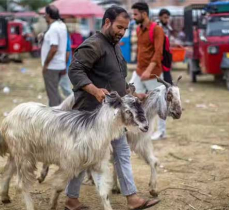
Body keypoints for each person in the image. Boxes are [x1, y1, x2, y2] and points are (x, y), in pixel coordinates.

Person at [66, 6, 160, 210]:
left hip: (113, 115)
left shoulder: (115, 46)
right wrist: (94, 90)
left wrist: (132, 93)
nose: (121, 32)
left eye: (125, 29)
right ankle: (71, 199)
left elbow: (114, 79)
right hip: (91, 114)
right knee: (85, 156)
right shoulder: (94, 44)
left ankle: (132, 198)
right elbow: (74, 69)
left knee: (122, 152)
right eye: (119, 27)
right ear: (107, 22)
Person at [131, 2, 167, 140]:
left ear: (144, 14)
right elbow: (141, 51)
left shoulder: (157, 29)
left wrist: (148, 70)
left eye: (135, 14)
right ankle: (140, 127)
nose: (133, 17)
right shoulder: (139, 29)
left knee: (160, 103)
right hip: (139, 71)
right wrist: (139, 69)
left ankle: (162, 132)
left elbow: (158, 53)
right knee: (132, 98)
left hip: (153, 74)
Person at [41, 5, 68, 106]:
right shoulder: (62, 25)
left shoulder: (54, 28)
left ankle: (55, 118)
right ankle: (61, 113)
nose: (44, 16)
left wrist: (46, 64)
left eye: (45, 14)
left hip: (52, 66)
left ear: (48, 15)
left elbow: (54, 48)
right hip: (60, 64)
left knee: (52, 94)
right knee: (55, 92)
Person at [156, 8, 173, 85]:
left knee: (167, 77)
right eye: (165, 17)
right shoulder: (156, 27)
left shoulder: (168, 27)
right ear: (160, 17)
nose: (167, 19)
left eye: (168, 18)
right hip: (158, 55)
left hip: (165, 55)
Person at [58, 32, 73, 97]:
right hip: (61, 66)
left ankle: (74, 103)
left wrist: (64, 67)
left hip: (64, 66)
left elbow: (67, 52)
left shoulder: (64, 35)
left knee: (66, 88)